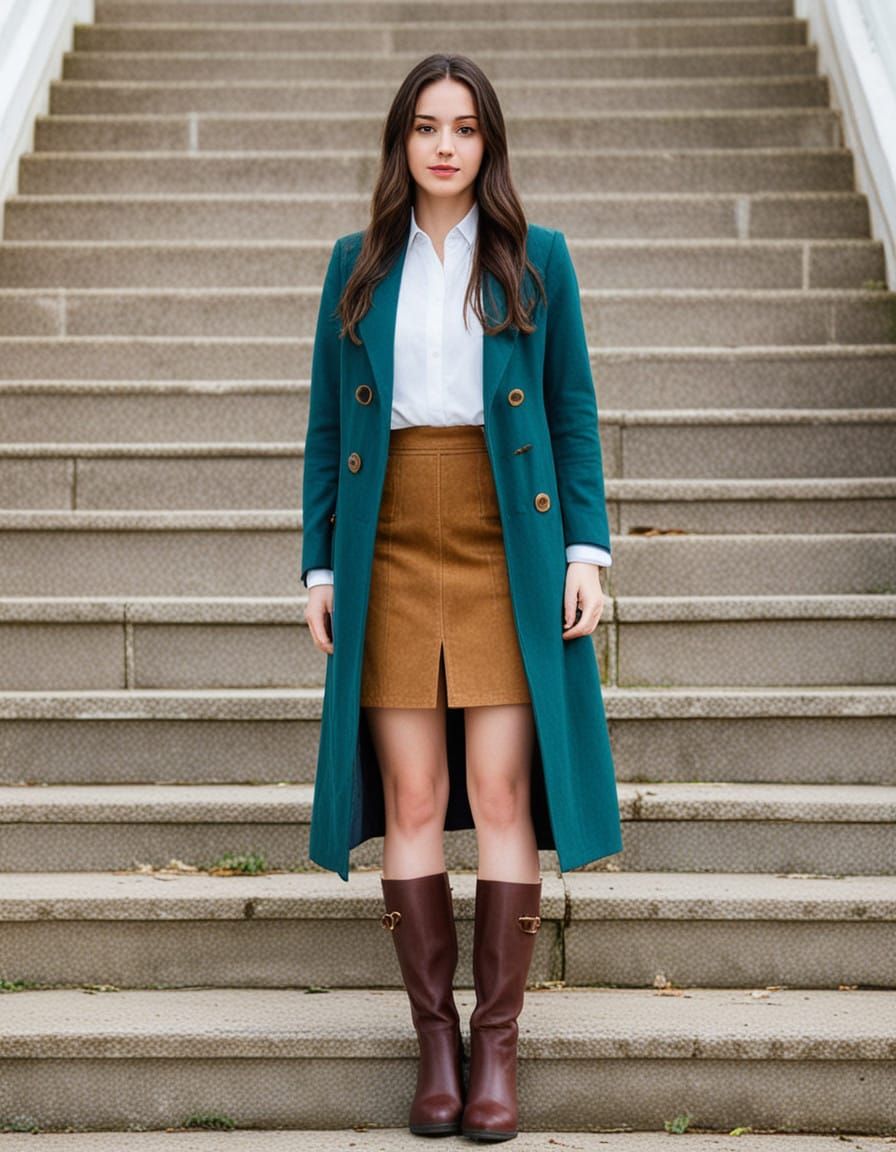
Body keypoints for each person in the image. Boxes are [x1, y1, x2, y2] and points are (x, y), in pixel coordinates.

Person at [301, 53, 621, 1143]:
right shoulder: (355, 264)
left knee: (495, 792)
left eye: (465, 127)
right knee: (409, 794)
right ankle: (431, 1043)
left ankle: (495, 1046)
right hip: (388, 534)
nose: (444, 144)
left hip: (505, 539)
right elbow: (323, 434)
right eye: (426, 126)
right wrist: (319, 566)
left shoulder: (538, 261)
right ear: (401, 142)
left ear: (489, 143)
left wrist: (585, 551)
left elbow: (570, 414)